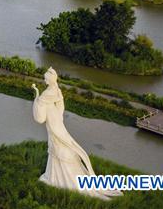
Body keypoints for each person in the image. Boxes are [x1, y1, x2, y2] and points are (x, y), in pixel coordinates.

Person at [32, 67, 121, 199]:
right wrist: (57, 115)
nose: (44, 80)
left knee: (58, 149)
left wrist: (37, 97)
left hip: (54, 127)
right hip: (58, 124)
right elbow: (61, 107)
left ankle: (59, 180)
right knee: (61, 149)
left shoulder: (46, 94)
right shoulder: (56, 90)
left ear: (50, 80)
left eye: (45, 78)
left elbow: (39, 118)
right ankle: (53, 177)